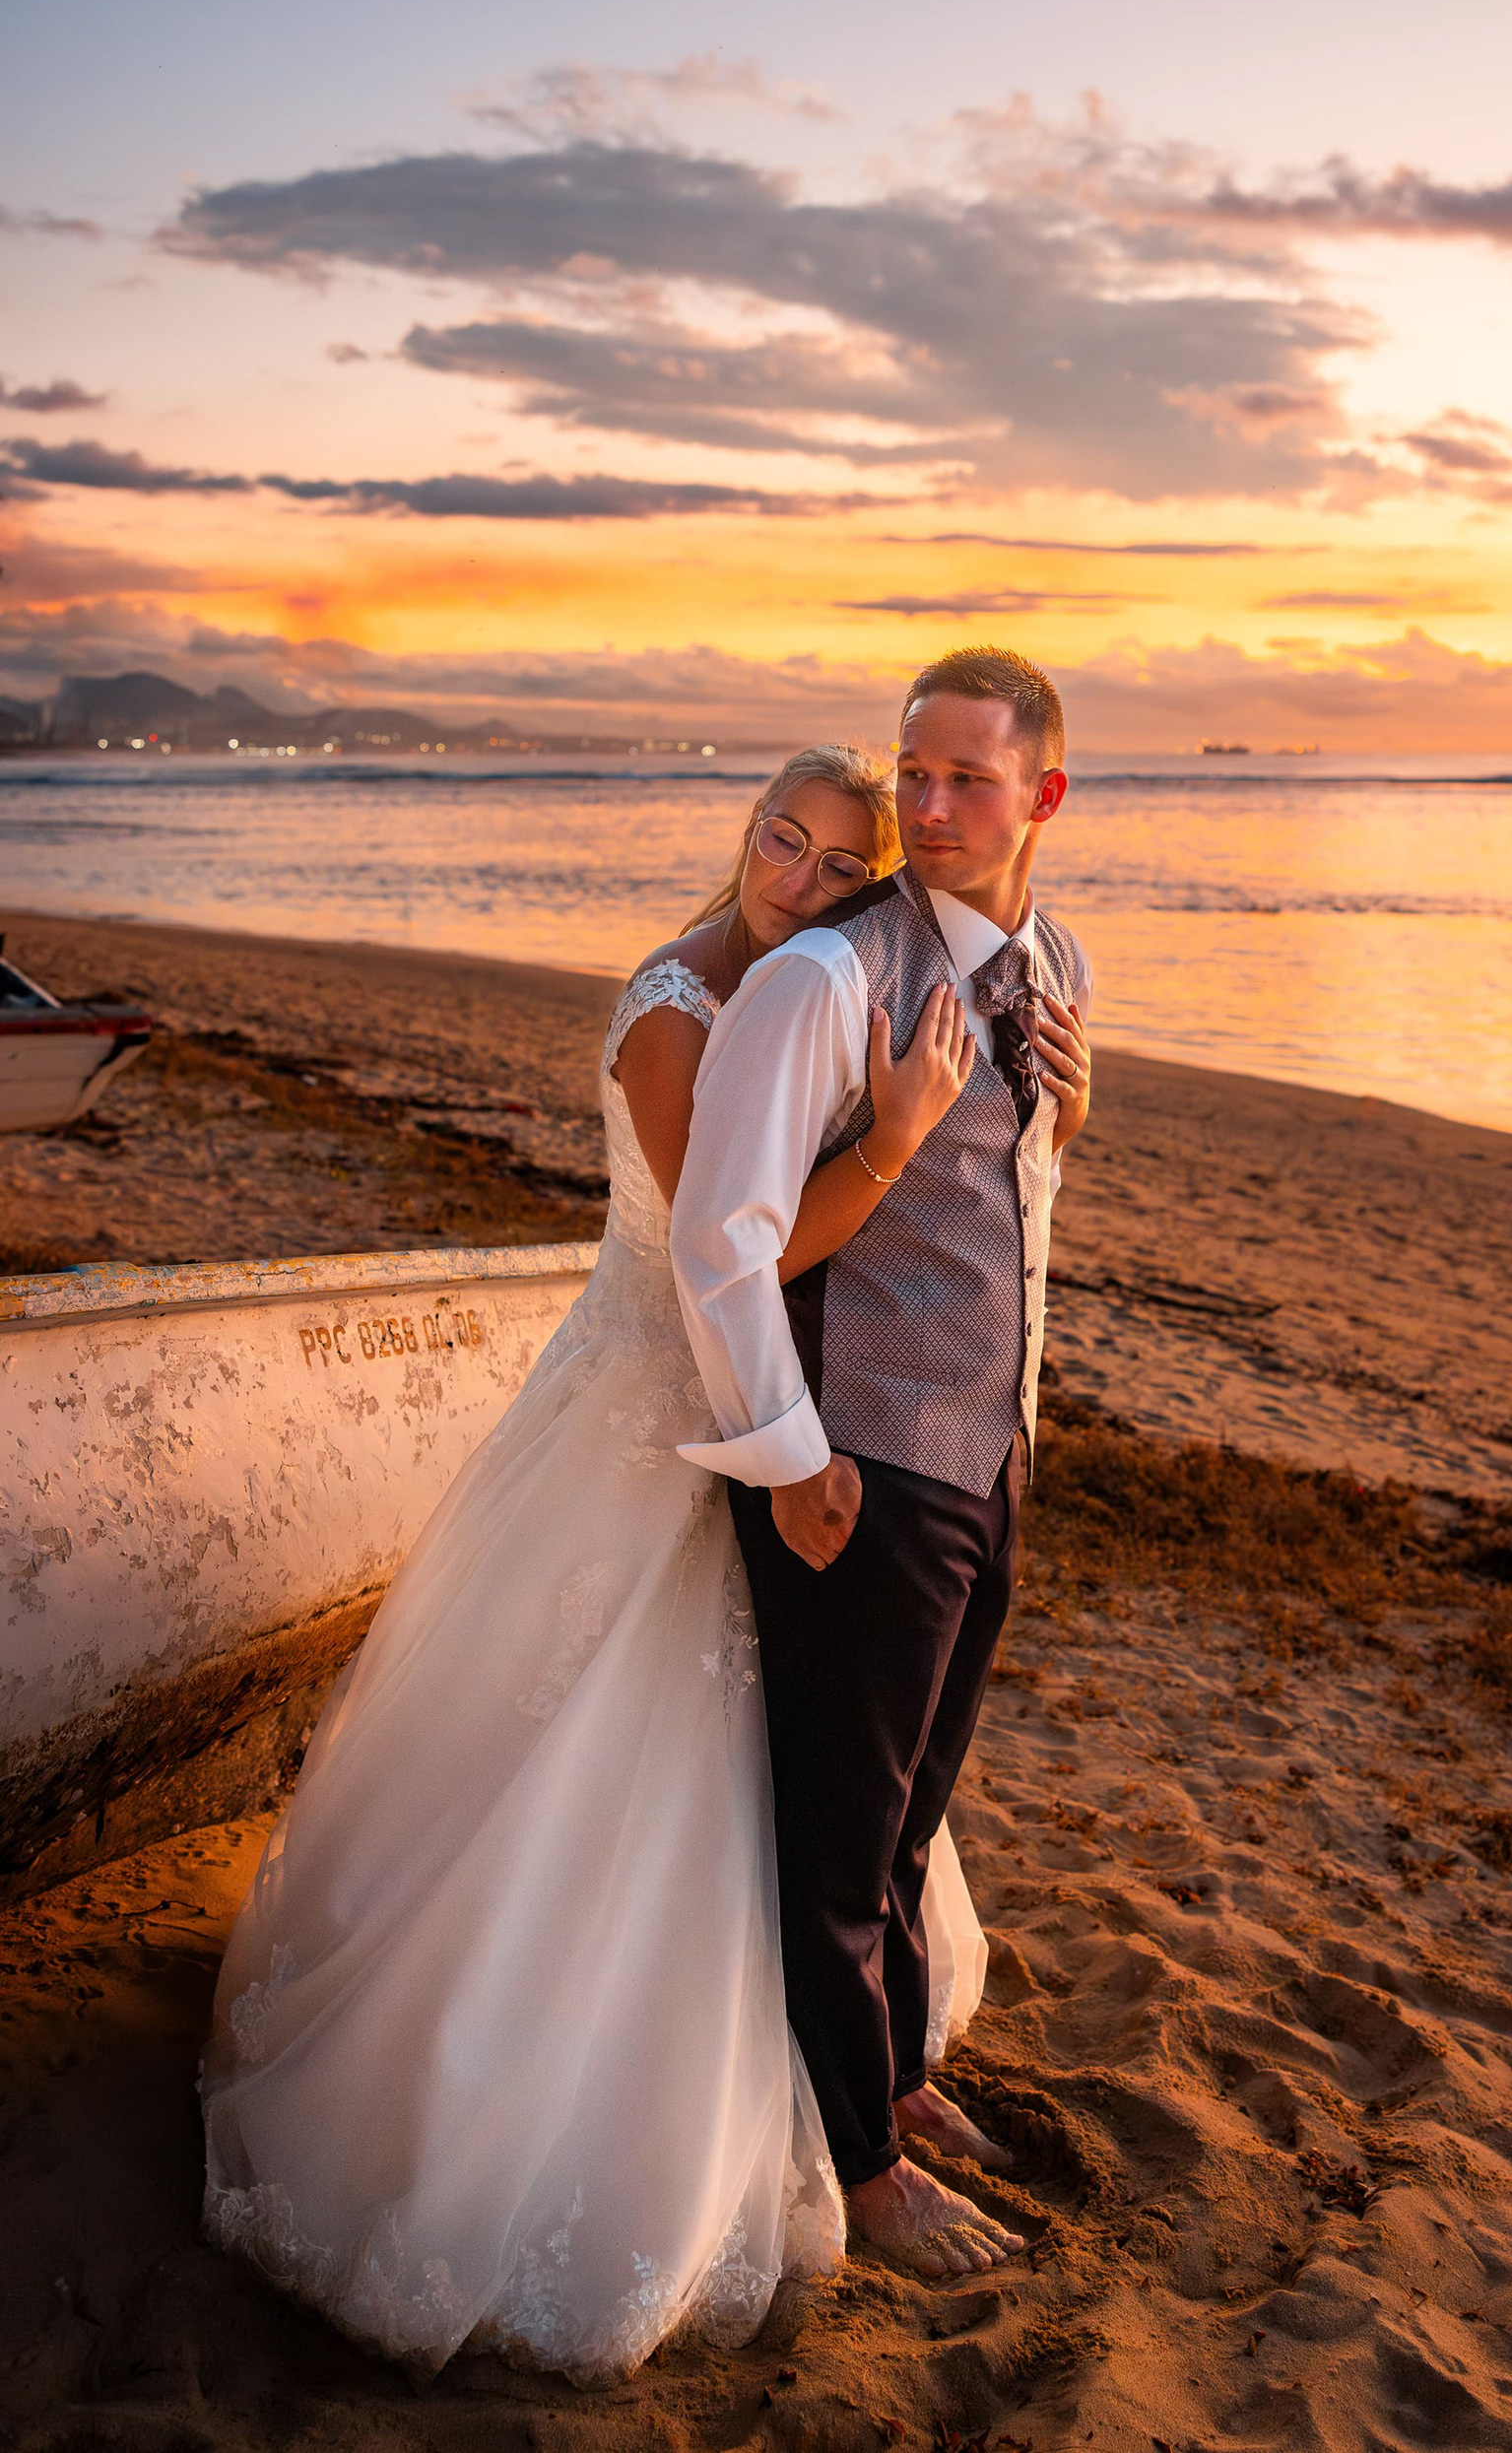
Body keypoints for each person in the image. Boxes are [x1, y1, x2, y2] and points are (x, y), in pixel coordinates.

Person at [200, 745, 986, 2384]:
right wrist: (898, 1139)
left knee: (797, 1757)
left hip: (744, 1403)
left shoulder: (801, 988)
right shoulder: (678, 1015)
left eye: (844, 867)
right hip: (647, 1414)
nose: (801, 875)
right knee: (594, 1749)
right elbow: (733, 1252)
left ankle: (851, 2057)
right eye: (785, 838)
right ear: (746, 828)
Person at [670, 646, 1093, 2283]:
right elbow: (722, 1241)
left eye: (965, 779)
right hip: (857, 1464)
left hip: (985, 1459)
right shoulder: (822, 982)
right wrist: (789, 1458)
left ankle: (899, 2084)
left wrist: (1079, 1110)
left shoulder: (1050, 959)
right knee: (840, 1846)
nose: (925, 807)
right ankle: (861, 2173)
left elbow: (1020, 1200)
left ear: (1041, 795)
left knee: (914, 1825)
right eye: (913, 772)